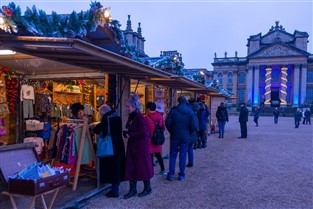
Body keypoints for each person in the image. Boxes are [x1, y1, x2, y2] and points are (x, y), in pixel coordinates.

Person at [123, 94, 154, 199]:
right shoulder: (133, 117)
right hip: (134, 146)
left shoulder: (139, 117)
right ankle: (132, 190)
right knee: (132, 167)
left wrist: (130, 134)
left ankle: (147, 188)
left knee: (142, 167)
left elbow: (144, 132)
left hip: (140, 147)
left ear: (134, 107)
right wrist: (127, 132)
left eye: (128, 107)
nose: (127, 109)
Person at [93, 105, 126, 198]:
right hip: (118, 144)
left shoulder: (106, 118)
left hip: (110, 146)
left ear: (103, 112)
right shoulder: (117, 117)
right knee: (117, 165)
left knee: (112, 167)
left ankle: (114, 191)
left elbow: (98, 129)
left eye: (100, 113)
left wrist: (92, 128)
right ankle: (116, 186)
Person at [165, 96, 197, 181]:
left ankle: (171, 173)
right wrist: (188, 132)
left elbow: (167, 123)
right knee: (183, 155)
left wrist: (172, 131)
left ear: (178, 102)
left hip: (175, 135)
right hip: (185, 136)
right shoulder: (190, 111)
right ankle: (181, 175)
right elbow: (194, 126)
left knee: (173, 155)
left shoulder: (173, 110)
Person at [144, 102, 167, 175]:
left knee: (150, 156)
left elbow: (144, 129)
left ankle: (151, 172)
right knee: (158, 155)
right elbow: (163, 127)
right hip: (158, 139)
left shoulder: (146, 118)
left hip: (150, 139)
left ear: (148, 109)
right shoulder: (160, 116)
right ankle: (163, 170)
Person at [187, 98, 199, 167]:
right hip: (195, 127)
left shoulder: (188, 109)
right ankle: (191, 161)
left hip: (188, 130)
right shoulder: (197, 107)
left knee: (186, 147)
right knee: (190, 147)